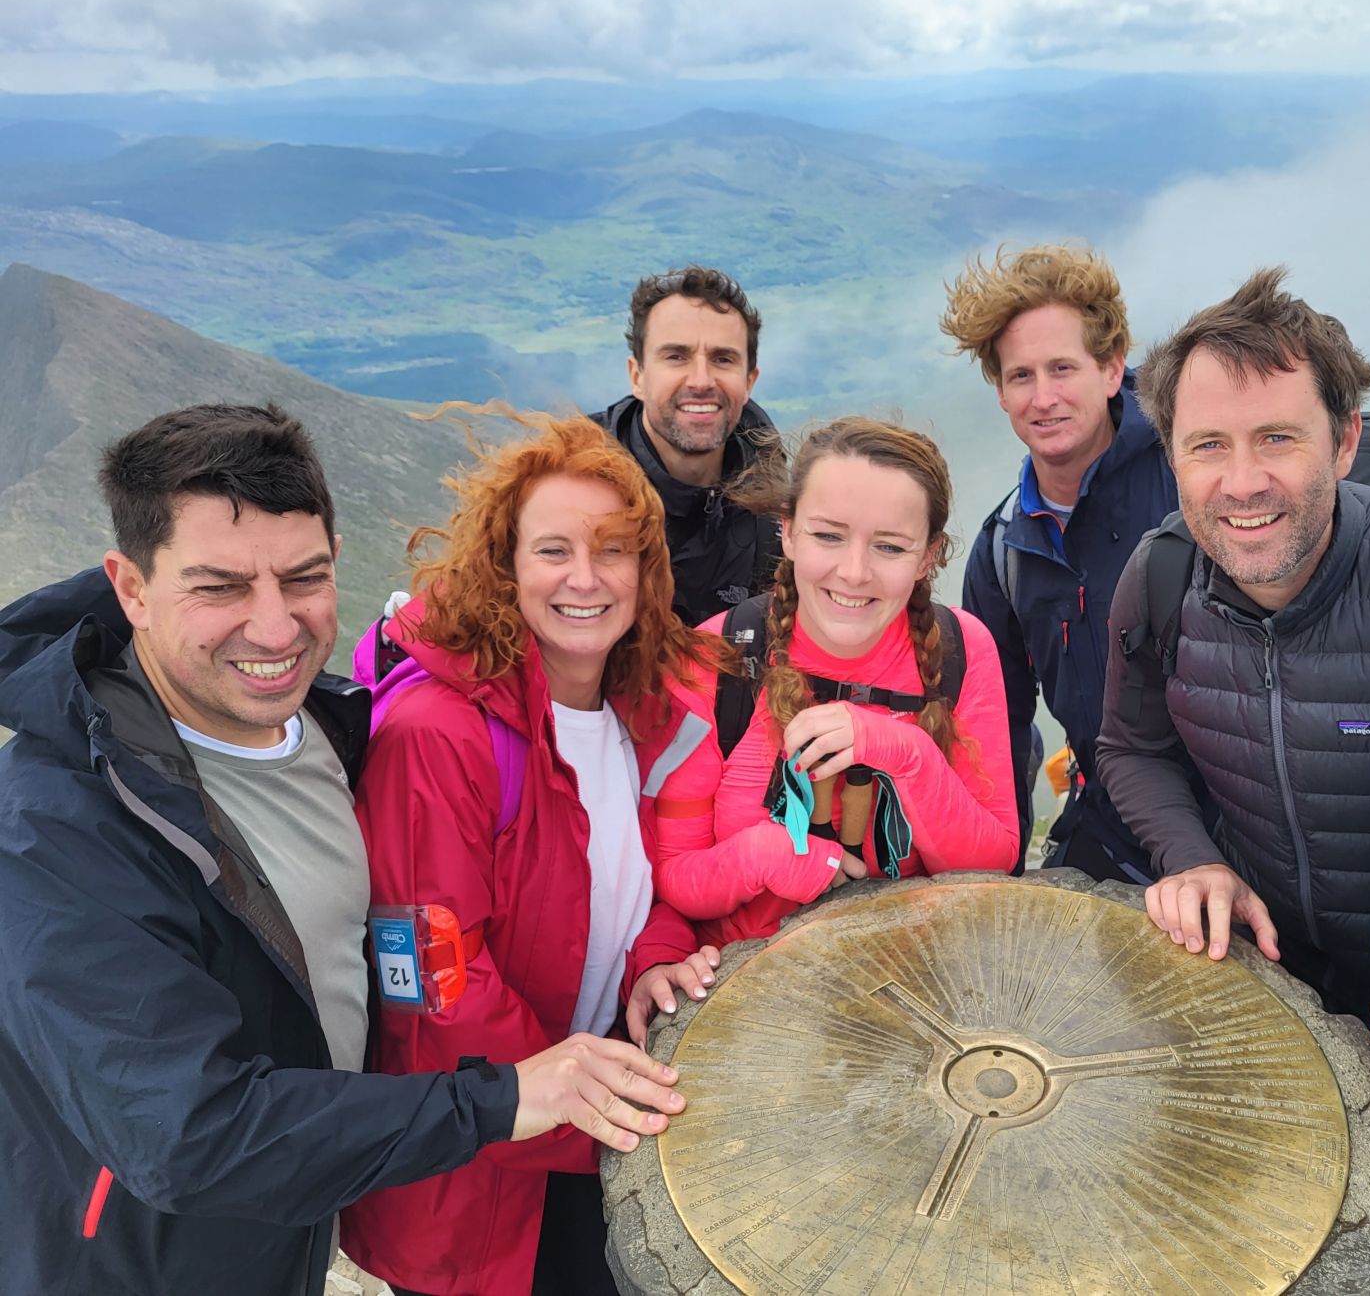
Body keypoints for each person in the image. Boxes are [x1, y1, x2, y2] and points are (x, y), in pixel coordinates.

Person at [0, 404, 686, 1296]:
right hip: (124, 1261)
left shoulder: (327, 726)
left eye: (304, 578)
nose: (276, 627)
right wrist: (519, 1100)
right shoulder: (57, 822)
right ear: (130, 587)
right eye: (219, 586)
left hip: (284, 1234)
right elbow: (190, 1136)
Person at [343, 412, 733, 1295]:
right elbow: (432, 983)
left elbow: (655, 886)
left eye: (613, 551)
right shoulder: (437, 733)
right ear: (505, 567)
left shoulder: (642, 716)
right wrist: (596, 1115)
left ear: (646, 570)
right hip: (478, 1178)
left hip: (586, 1151)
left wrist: (657, 963)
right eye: (553, 551)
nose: (585, 580)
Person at [1096, 268, 1370, 1023]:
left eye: (1277, 437)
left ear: (1345, 442)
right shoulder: (1160, 579)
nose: (1242, 483)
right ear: (1171, 459)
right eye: (1208, 445)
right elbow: (1131, 746)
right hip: (1273, 972)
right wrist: (1195, 860)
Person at [648, 417, 1019, 945]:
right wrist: (761, 856)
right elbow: (674, 876)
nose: (853, 572)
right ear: (788, 532)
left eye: (889, 547)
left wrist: (907, 752)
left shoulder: (962, 651)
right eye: (828, 535)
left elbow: (994, 863)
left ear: (928, 557)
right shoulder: (717, 656)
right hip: (751, 980)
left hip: (912, 972)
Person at [944, 244, 1177, 882]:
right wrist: (1000, 877)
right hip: (1108, 841)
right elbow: (999, 732)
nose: (1043, 397)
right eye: (1021, 376)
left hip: (1234, 844)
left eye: (1063, 368)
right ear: (999, 392)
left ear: (1111, 369)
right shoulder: (1003, 551)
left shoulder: (1189, 482)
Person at [590, 264, 781, 625]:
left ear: (749, 381)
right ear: (638, 376)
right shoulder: (569, 481)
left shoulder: (774, 506)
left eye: (723, 359)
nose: (700, 380)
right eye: (676, 356)